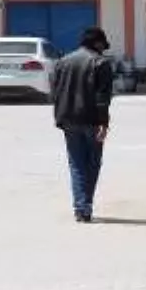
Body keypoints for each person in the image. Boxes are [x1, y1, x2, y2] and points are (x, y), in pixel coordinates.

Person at [51, 27, 115, 223]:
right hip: (91, 120)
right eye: (102, 46)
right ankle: (84, 205)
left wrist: (60, 117)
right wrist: (104, 123)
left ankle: (82, 207)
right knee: (92, 163)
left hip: (68, 119)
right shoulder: (101, 63)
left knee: (77, 164)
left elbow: (55, 92)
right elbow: (102, 98)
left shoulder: (63, 62)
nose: (103, 50)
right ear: (97, 44)